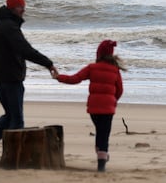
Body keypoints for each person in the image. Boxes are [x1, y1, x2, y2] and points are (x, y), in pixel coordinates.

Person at [0, 0, 58, 162]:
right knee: (17, 118)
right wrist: (48, 63)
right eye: (21, 7)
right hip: (10, 78)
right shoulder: (9, 27)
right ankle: (13, 157)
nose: (24, 10)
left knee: (10, 115)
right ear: (13, 8)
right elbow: (25, 50)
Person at [52, 40, 125, 172]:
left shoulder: (92, 68)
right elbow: (120, 90)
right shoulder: (115, 70)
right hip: (108, 108)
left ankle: (101, 154)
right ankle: (101, 162)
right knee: (104, 133)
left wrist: (59, 77)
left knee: (100, 131)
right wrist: (114, 100)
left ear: (99, 54)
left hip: (94, 108)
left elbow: (75, 79)